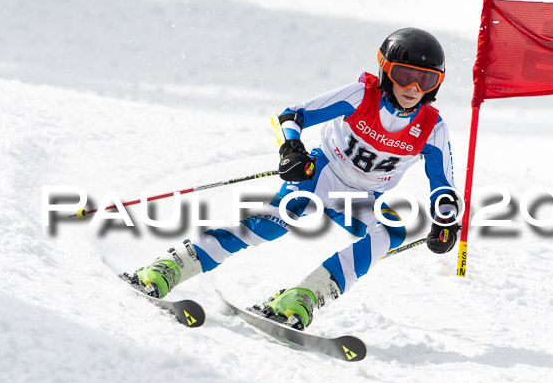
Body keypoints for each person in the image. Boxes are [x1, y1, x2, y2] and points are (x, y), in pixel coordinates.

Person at [122, 27, 460, 330]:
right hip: (322, 174)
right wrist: (292, 150)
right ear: (386, 70)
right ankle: (170, 267)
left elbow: (442, 184)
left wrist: (446, 220)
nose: (413, 88)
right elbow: (291, 115)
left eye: (426, 80)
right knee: (271, 224)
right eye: (404, 75)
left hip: (361, 199)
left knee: (389, 231)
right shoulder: (360, 96)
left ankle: (303, 297)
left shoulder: (432, 128)